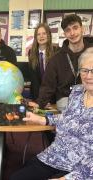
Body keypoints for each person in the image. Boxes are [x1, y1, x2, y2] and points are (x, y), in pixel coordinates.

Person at [10, 47, 93, 180]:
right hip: (55, 156)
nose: (88, 76)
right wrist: (44, 120)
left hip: (82, 169)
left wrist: (67, 179)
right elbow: (67, 117)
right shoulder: (77, 92)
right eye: (84, 70)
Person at [30, 14, 93, 111]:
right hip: (65, 105)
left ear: (82, 29)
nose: (72, 33)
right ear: (64, 34)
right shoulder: (56, 59)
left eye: (75, 28)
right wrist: (39, 104)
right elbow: (47, 86)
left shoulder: (91, 53)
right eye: (68, 30)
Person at [28, 23, 59, 101]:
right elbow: (34, 80)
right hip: (37, 96)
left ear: (49, 35)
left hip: (54, 97)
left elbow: (58, 78)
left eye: (44, 33)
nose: (41, 36)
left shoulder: (57, 51)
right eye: (38, 34)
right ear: (35, 37)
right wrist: (39, 101)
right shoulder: (31, 52)